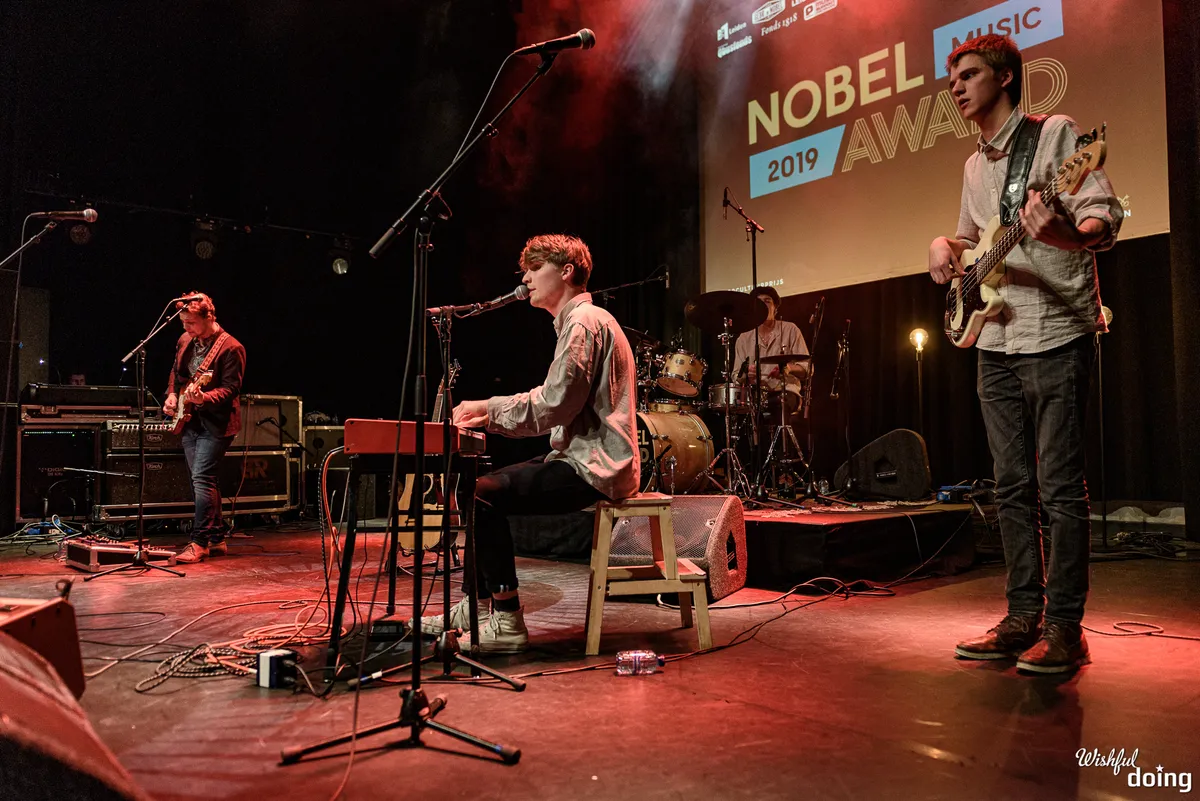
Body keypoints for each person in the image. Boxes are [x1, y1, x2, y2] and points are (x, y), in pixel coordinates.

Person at [928, 35, 1122, 673]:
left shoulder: (1056, 134)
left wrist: (1067, 233)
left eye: (968, 74)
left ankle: (1066, 628)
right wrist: (944, 245)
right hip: (995, 338)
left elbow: (1102, 215)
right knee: (1011, 487)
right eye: (952, 79)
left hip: (1055, 332)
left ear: (1005, 77)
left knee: (1060, 488)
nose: (956, 87)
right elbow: (971, 239)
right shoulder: (972, 165)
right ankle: (1020, 618)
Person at [412, 234, 640, 654]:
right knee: (477, 488)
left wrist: (489, 409)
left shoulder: (583, 323)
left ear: (566, 271)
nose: (526, 279)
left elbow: (554, 403)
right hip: (580, 456)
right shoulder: (580, 322)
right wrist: (490, 414)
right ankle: (475, 607)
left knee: (482, 493)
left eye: (535, 269)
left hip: (596, 466)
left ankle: (507, 620)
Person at [162, 292, 247, 564]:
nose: (186, 328)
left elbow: (231, 389)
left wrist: (204, 398)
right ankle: (217, 539)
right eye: (183, 323)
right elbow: (177, 372)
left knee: (202, 478)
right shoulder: (185, 340)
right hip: (189, 419)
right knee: (203, 480)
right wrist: (172, 395)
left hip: (217, 423)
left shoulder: (231, 347)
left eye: (191, 323)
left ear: (208, 317)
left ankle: (199, 543)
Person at [732, 285, 810, 423]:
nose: (763, 305)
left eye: (767, 301)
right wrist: (746, 374)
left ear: (775, 308)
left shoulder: (790, 329)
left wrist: (788, 368)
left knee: (779, 402)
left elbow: (808, 368)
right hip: (755, 394)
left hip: (785, 391)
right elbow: (735, 375)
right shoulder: (743, 338)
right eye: (759, 302)